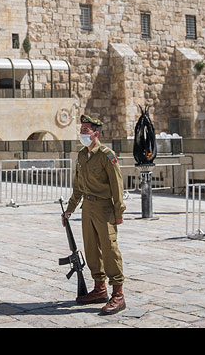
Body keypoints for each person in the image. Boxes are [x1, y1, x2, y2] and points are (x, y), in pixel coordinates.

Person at [62, 114, 126, 315]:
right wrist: (70, 209)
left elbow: (117, 185)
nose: (82, 133)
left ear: (95, 133)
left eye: (85, 130)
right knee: (91, 249)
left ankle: (118, 294)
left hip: (105, 209)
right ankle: (99, 289)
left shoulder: (107, 155)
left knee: (109, 249)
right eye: (81, 130)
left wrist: (119, 211)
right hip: (87, 208)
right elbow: (78, 186)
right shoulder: (82, 155)